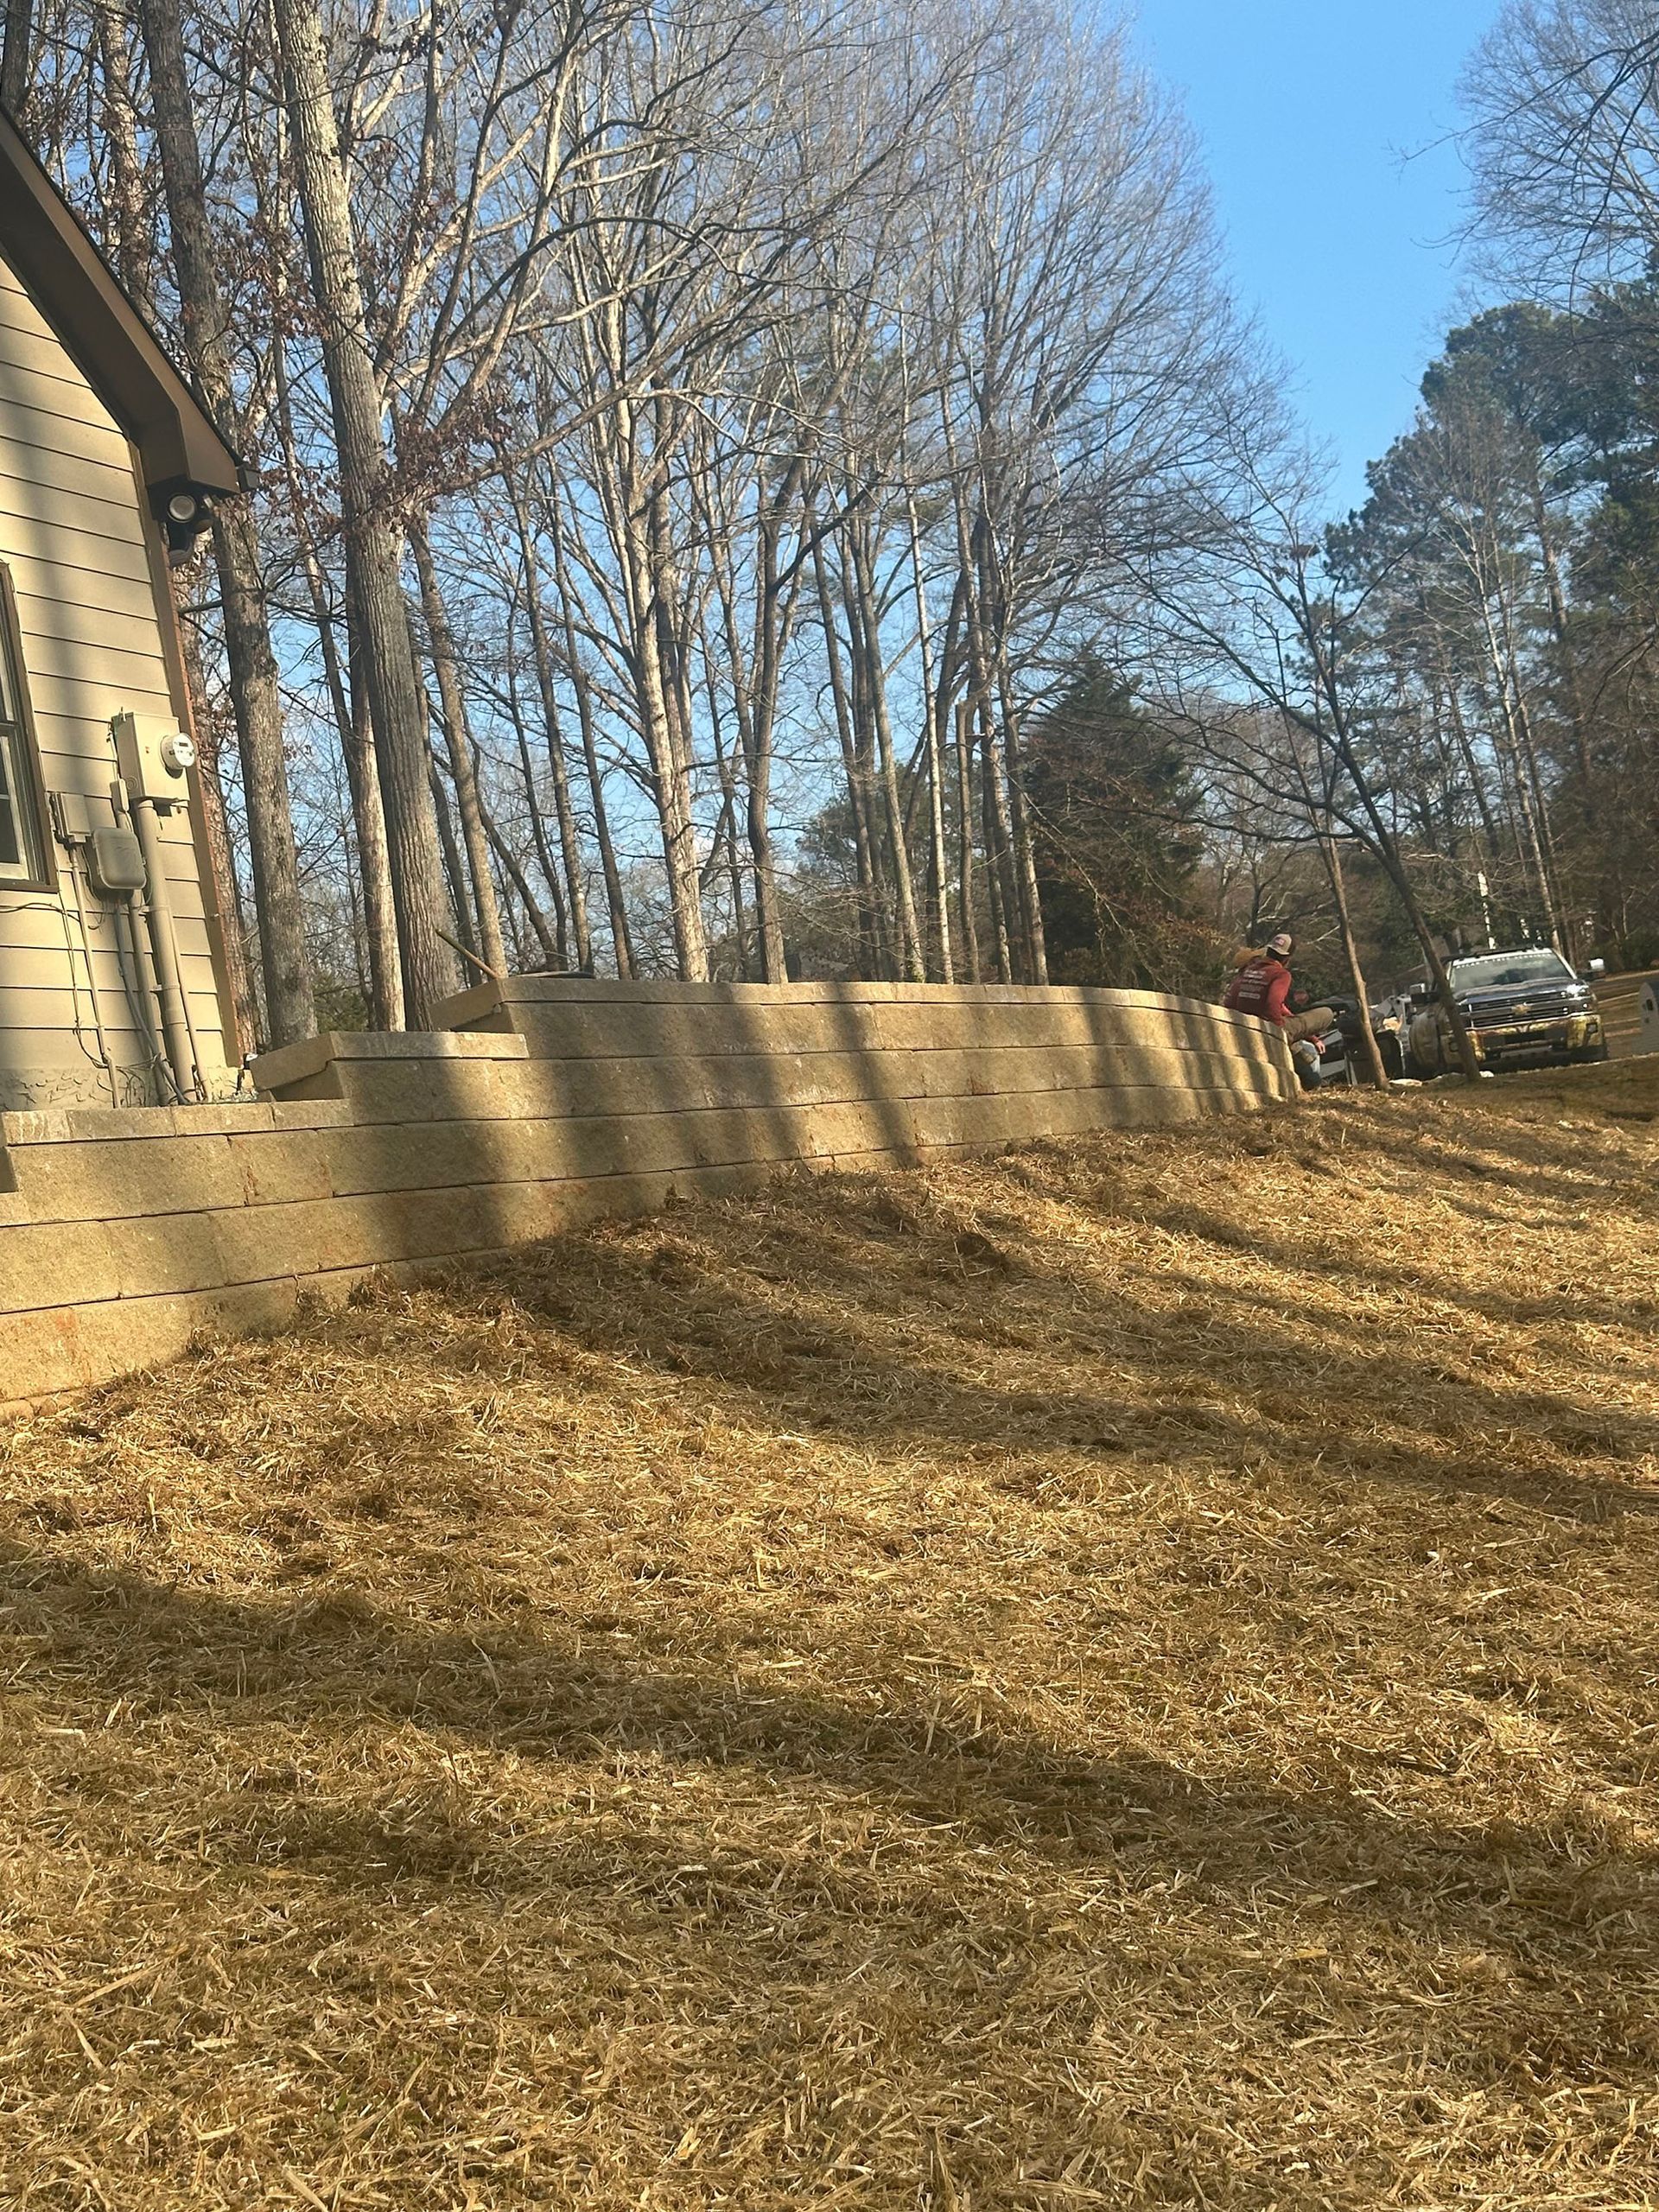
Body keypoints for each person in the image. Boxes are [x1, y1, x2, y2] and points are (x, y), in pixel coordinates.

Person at [1224, 932, 1334, 1084]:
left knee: (1301, 1053)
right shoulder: (1280, 974)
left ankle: (1313, 1080)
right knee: (1326, 1013)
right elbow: (1273, 1004)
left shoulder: (1246, 974)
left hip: (1247, 1025)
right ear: (1287, 958)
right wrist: (1279, 1034)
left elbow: (1230, 1004)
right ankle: (1312, 1080)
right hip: (1271, 1027)